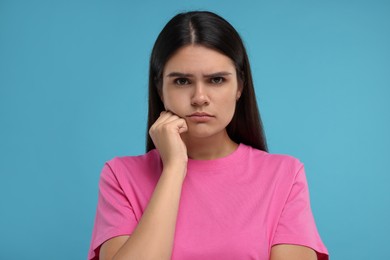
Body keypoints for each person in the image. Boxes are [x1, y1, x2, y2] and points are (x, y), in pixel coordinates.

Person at [88, 11, 329, 260]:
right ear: (160, 88)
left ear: (239, 87)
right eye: (182, 81)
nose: (199, 98)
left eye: (216, 80)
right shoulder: (120, 176)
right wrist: (173, 168)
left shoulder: (284, 176)